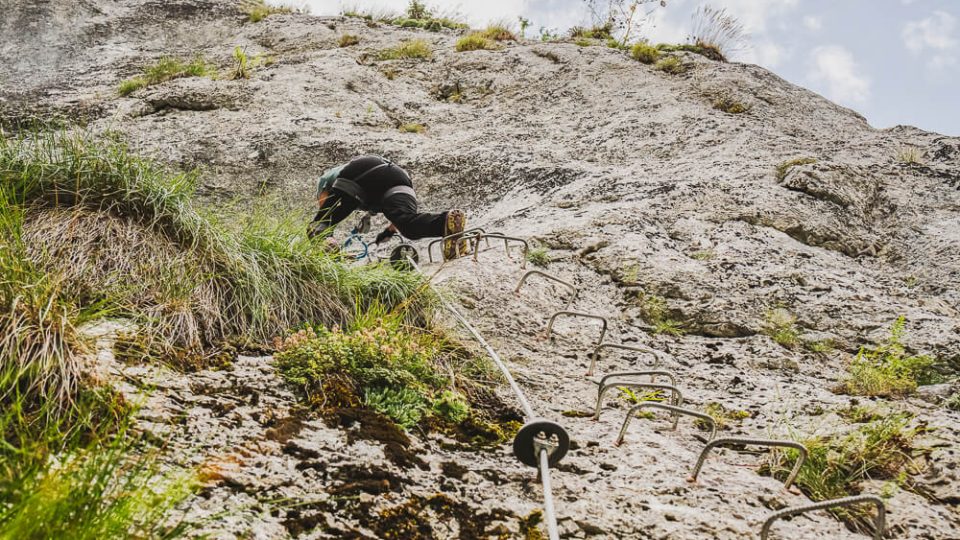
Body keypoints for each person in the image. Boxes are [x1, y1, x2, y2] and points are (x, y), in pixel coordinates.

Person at [308, 155, 467, 260]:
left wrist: (327, 231)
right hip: (399, 178)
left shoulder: (326, 180)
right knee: (408, 225)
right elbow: (396, 220)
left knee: (319, 225)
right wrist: (389, 231)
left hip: (358, 171)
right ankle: (444, 222)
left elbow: (325, 210)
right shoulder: (369, 195)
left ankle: (329, 256)